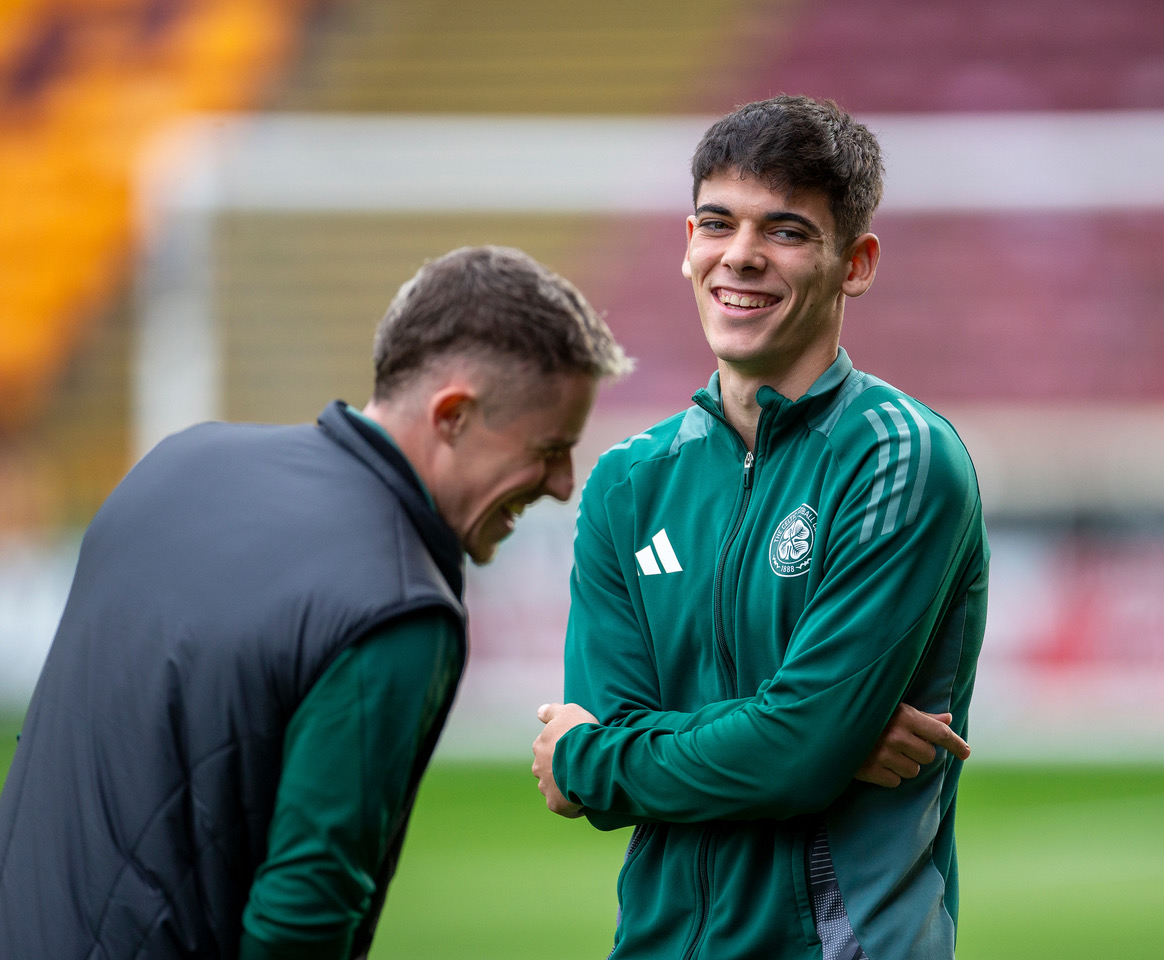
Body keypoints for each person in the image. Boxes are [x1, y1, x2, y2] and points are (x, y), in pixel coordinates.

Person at [0, 245, 631, 959]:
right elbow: (304, 919)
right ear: (452, 414)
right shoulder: (395, 609)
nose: (560, 483)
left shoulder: (178, 463)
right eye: (549, 449)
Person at [532, 96, 989, 960]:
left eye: (784, 231)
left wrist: (808, 740)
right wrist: (814, 733)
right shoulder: (627, 483)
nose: (739, 255)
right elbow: (631, 757)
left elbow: (614, 756)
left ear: (855, 263)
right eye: (718, 223)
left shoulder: (901, 458)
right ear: (688, 243)